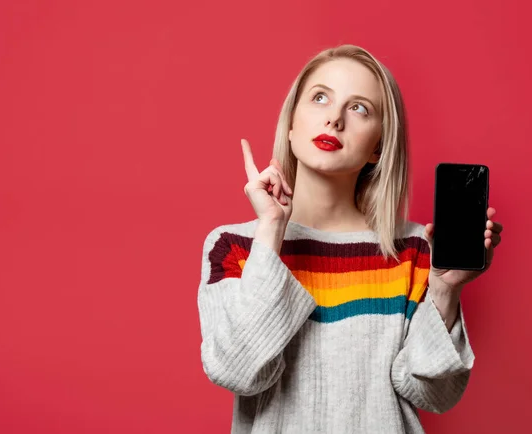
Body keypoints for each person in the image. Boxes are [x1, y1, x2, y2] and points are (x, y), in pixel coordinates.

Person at [196, 44, 503, 433]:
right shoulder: (234, 246)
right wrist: (271, 230)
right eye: (320, 98)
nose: (334, 119)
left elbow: (434, 395)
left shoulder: (412, 251)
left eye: (359, 108)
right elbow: (238, 372)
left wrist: (445, 290)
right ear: (291, 124)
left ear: (378, 146)